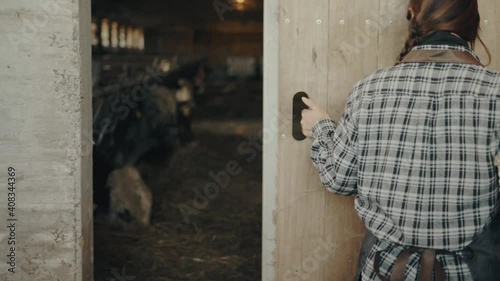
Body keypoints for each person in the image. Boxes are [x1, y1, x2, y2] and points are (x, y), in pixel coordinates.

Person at [300, 0, 500, 280]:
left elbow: (339, 179)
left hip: (383, 271)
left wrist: (321, 127)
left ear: (413, 17)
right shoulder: (495, 91)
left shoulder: (368, 89)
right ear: (473, 25)